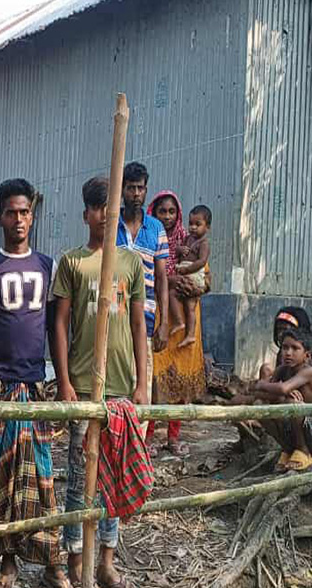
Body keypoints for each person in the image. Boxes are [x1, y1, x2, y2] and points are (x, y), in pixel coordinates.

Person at [0, 179, 71, 588]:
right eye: (11, 212)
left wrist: (63, 381)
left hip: (33, 389)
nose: (18, 220)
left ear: (33, 215)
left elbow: (57, 328)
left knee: (41, 479)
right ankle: (7, 562)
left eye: (25, 212)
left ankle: (52, 564)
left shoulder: (48, 267)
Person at [52, 177, 147, 588]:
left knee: (111, 477)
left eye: (111, 211)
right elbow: (60, 323)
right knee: (78, 477)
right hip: (85, 383)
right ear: (87, 213)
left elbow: (139, 323)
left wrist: (144, 382)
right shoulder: (73, 262)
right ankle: (75, 560)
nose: (104, 217)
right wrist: (65, 382)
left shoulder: (130, 263)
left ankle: (106, 562)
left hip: (121, 385)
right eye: (97, 210)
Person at [146, 192, 208, 457]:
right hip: (160, 314)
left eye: (172, 211)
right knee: (154, 378)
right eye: (163, 212)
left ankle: (173, 437)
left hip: (187, 315)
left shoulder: (189, 239)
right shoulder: (149, 239)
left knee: (180, 378)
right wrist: (169, 281)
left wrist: (196, 284)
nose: (168, 216)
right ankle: (147, 437)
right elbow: (148, 274)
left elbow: (206, 276)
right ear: (154, 213)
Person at [117, 162, 168, 408]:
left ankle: (136, 444)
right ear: (122, 190)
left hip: (146, 321)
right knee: (115, 390)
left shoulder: (156, 228)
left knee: (142, 386)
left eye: (140, 188)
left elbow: (161, 279)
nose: (136, 194)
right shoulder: (110, 225)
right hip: (115, 319)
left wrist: (164, 321)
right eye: (130, 188)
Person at [250, 328, 312, 472]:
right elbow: (261, 395)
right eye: (285, 347)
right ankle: (288, 449)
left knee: (293, 405)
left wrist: (262, 384)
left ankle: (304, 451)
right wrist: (277, 392)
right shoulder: (282, 370)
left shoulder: (308, 372)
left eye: (295, 348)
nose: (288, 352)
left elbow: (282, 389)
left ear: (306, 355)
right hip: (296, 429)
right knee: (259, 406)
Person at [170, 205, 211, 348]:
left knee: (184, 302)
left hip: (194, 275)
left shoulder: (203, 243)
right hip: (186, 271)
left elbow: (201, 261)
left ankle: (186, 330)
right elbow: (177, 251)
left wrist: (187, 270)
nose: (193, 227)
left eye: (198, 224)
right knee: (181, 300)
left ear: (207, 227)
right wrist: (180, 249)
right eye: (191, 224)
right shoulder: (187, 238)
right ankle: (184, 328)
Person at [259, 306, 312, 380]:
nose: (280, 334)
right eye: (279, 329)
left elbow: (286, 386)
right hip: (286, 386)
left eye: (285, 329)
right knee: (265, 369)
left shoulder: (306, 358)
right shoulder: (282, 352)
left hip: (295, 386)